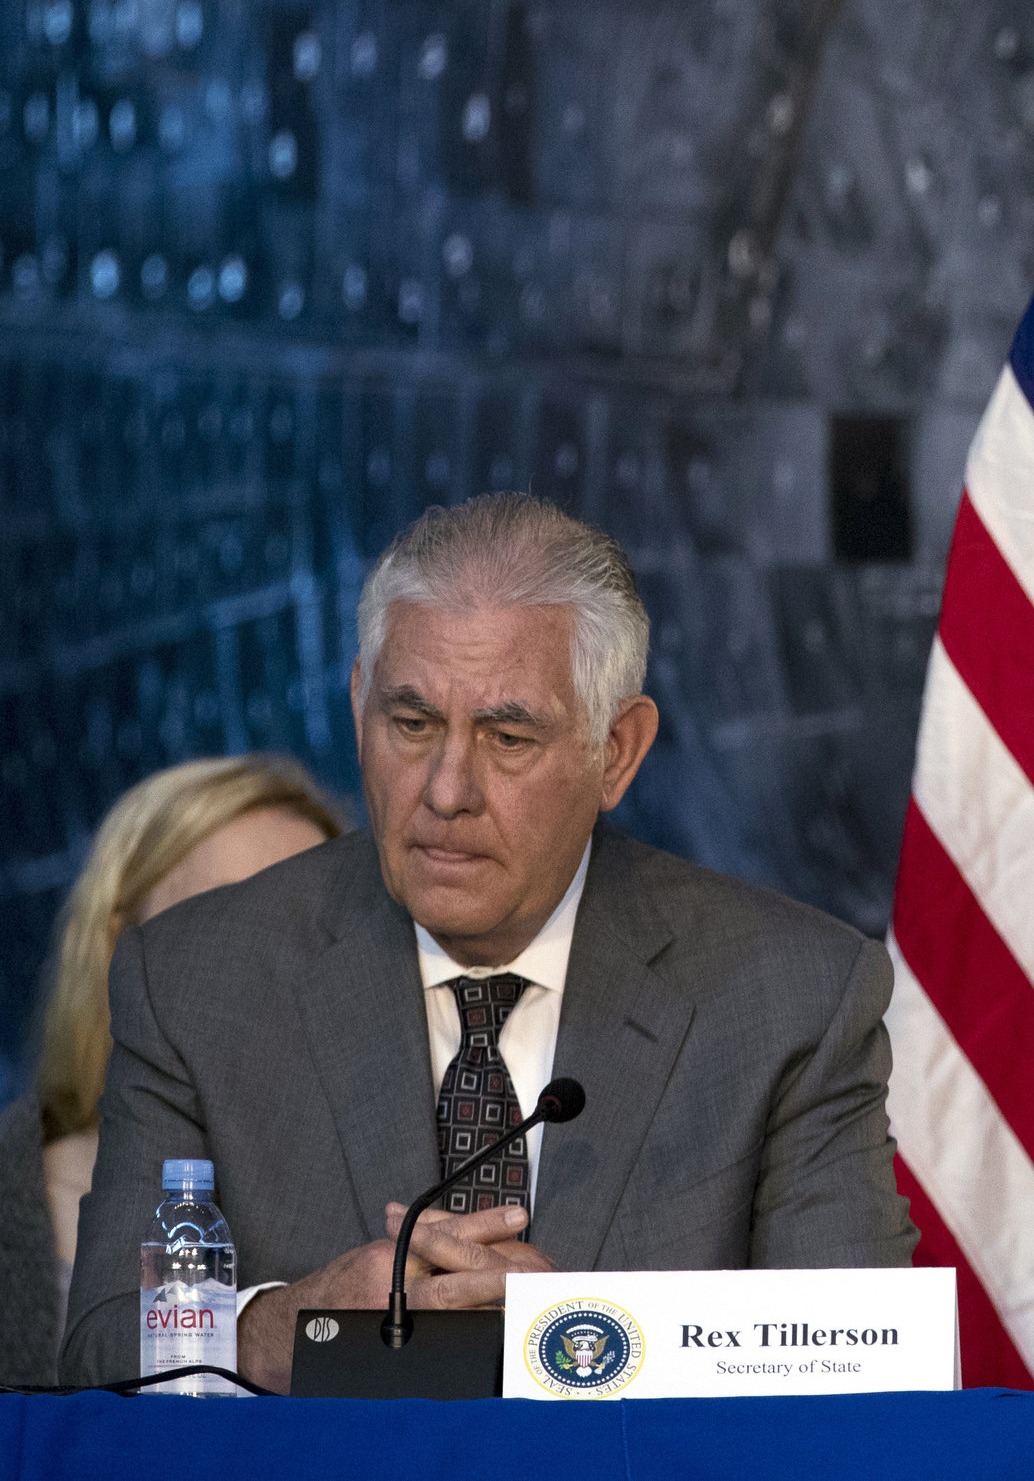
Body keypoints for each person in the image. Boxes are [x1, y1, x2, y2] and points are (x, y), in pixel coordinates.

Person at [62, 494, 918, 1391]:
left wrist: (585, 1339)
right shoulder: (197, 980)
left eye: (508, 737)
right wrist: (291, 1328)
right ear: (359, 704)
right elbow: (97, 1358)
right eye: (413, 723)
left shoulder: (790, 998)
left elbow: (863, 1367)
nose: (445, 790)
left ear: (616, 751)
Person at [33, 756, 342, 1314]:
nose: (275, 970)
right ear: (116, 949)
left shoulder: (381, 1201)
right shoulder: (29, 1205)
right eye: (222, 920)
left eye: (308, 929)